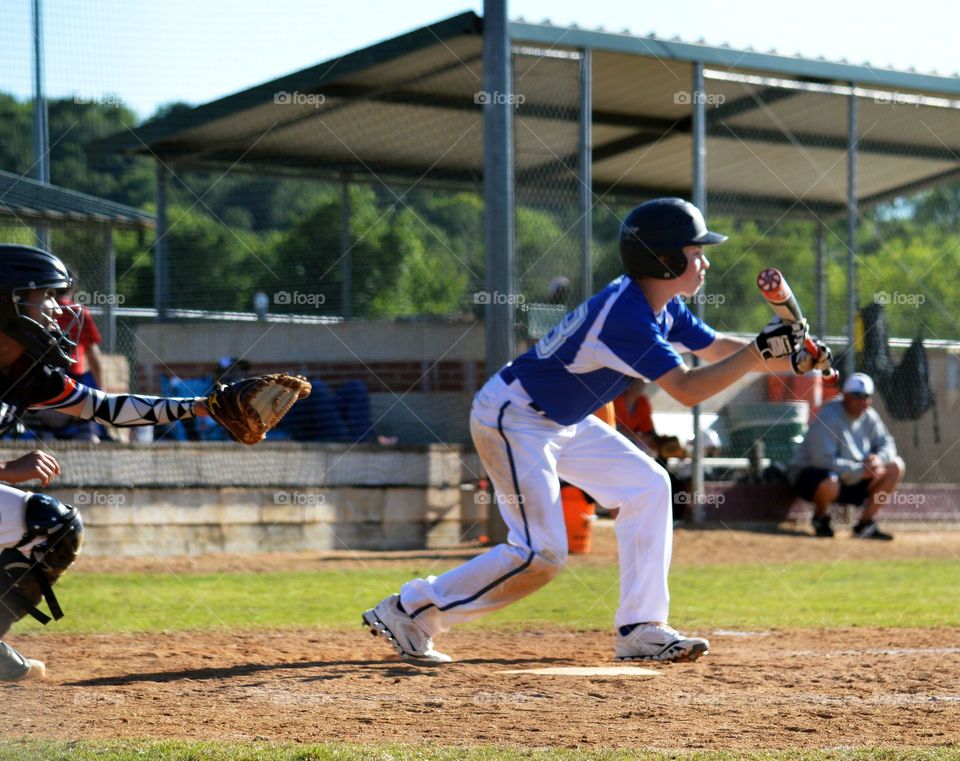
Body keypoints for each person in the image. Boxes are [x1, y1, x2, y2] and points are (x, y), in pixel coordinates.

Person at [362, 197, 832, 665]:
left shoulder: (660, 303)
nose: (705, 262)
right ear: (665, 262)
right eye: (695, 254)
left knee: (648, 485)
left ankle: (642, 629)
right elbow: (688, 389)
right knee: (540, 553)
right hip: (514, 417)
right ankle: (409, 609)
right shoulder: (626, 317)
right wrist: (758, 353)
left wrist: (784, 354)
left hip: (560, 419)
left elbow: (713, 349)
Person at [0, 244, 217, 682]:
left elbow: (106, 408)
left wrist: (203, 406)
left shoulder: (24, 370)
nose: (55, 311)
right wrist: (5, 473)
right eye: (40, 297)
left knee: (51, 526)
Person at [788, 372, 904, 540]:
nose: (862, 401)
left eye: (866, 397)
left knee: (895, 466)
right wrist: (859, 470)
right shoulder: (829, 417)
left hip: (852, 477)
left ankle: (865, 524)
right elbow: (821, 461)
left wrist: (879, 459)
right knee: (830, 481)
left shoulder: (870, 416)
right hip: (812, 478)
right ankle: (820, 519)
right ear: (846, 396)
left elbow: (887, 443)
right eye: (857, 396)